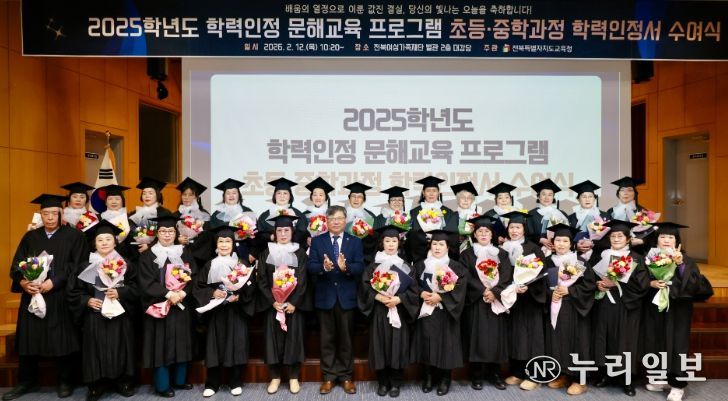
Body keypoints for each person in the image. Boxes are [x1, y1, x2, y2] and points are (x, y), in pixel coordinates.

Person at [4, 194, 88, 401]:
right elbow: (17, 265)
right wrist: (24, 282)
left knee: (62, 338)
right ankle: (27, 381)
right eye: (45, 213)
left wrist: (55, 282)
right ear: (40, 214)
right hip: (33, 294)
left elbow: (78, 264)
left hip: (60, 295)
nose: (50, 217)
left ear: (61, 214)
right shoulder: (30, 237)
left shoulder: (74, 236)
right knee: (29, 338)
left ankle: (65, 380)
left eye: (54, 213)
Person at [68, 220, 138, 401]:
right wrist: (87, 300)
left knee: (121, 347)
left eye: (108, 239)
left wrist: (121, 292)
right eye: (100, 240)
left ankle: (123, 382)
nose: (104, 243)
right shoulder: (85, 266)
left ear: (115, 242)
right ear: (94, 243)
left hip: (120, 314)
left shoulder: (125, 264)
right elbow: (74, 291)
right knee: (95, 349)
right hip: (95, 315)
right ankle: (96, 385)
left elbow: (137, 288)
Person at [640, 223, 703, 401]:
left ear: (677, 241)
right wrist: (651, 283)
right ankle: (661, 378)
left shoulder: (685, 259)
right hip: (655, 307)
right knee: (656, 340)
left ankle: (677, 385)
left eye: (670, 237)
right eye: (662, 237)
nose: (666, 240)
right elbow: (640, 279)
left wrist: (680, 263)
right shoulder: (649, 258)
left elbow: (694, 284)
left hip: (678, 309)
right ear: (656, 240)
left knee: (677, 344)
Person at [193, 225, 257, 397]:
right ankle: (212, 383)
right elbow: (198, 287)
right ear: (216, 244)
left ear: (233, 244)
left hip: (236, 311)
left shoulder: (241, 264)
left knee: (236, 344)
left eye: (227, 241)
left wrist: (239, 296)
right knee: (214, 345)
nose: (224, 245)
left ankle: (235, 381)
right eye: (220, 241)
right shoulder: (209, 264)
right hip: (216, 312)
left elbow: (251, 288)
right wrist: (212, 293)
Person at [138, 213, 197, 397]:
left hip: (180, 305)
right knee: (160, 345)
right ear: (157, 233)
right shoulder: (148, 255)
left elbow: (193, 276)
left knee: (182, 342)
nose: (167, 234)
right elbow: (145, 282)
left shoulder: (184, 252)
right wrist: (169, 294)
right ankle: (162, 385)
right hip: (159, 306)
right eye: (163, 231)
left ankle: (180, 380)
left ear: (176, 233)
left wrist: (183, 293)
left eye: (170, 231)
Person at [307, 206, 365, 395]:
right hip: (325, 297)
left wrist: (346, 267)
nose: (336, 222)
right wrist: (323, 267)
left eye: (340, 218)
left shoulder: (355, 241)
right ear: (327, 221)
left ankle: (346, 377)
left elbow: (360, 267)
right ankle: (329, 377)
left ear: (345, 220)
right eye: (332, 219)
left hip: (346, 298)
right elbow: (311, 266)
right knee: (327, 340)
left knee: (346, 340)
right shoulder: (317, 241)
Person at [589, 219, 650, 397]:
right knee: (605, 338)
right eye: (613, 236)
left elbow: (642, 284)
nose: (616, 239)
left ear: (628, 239)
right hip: (604, 304)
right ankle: (606, 374)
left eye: (620, 236)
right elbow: (589, 277)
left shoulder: (636, 258)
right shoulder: (601, 255)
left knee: (626, 341)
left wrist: (617, 284)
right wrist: (597, 285)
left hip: (626, 306)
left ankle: (627, 380)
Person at [358, 225, 419, 398]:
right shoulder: (373, 266)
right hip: (379, 311)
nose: (391, 244)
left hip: (399, 310)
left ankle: (396, 382)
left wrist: (399, 299)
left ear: (399, 243)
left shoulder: (406, 266)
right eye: (387, 241)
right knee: (381, 345)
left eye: (394, 241)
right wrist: (378, 297)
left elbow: (414, 291)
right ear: (381, 243)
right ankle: (383, 381)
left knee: (397, 345)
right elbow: (364, 288)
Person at [256, 216, 309, 395]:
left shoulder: (299, 252)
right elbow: (262, 280)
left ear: (292, 232)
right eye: (279, 230)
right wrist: (273, 301)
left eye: (286, 230)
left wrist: (293, 302)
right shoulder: (266, 253)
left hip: (293, 306)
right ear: (275, 233)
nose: (283, 234)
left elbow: (303, 280)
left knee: (294, 339)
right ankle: (275, 377)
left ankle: (293, 377)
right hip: (274, 306)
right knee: (272, 341)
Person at [460, 216, 513, 391]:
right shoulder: (467, 254)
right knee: (477, 337)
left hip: (495, 301)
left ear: (492, 234)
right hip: (476, 301)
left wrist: (494, 292)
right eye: (480, 231)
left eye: (487, 231)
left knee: (496, 338)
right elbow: (465, 276)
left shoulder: (501, 254)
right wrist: (483, 290)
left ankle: (495, 373)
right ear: (474, 234)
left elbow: (507, 276)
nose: (483, 234)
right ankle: (476, 374)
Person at [412, 229, 467, 396]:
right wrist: (421, 293)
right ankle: (428, 377)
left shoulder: (456, 267)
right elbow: (412, 284)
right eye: (434, 244)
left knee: (446, 345)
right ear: (430, 245)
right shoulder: (420, 265)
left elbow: (460, 288)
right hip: (426, 311)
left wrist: (441, 297)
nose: (437, 247)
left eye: (441, 244)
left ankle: (445, 379)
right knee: (427, 343)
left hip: (446, 312)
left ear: (447, 247)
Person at [498, 211, 548, 391]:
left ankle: (534, 375)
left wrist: (528, 286)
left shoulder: (533, 248)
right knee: (515, 336)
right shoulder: (501, 249)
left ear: (524, 229)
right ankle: (518, 372)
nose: (514, 231)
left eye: (518, 227)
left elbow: (542, 273)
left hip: (529, 299)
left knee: (531, 336)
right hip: (511, 299)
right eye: (511, 227)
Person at [543, 223, 595, 396]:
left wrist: (570, 291)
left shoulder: (579, 262)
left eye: (565, 241)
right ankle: (563, 375)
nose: (561, 244)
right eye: (558, 240)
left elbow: (589, 286)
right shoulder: (548, 261)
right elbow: (540, 285)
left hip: (575, 309)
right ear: (553, 243)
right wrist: (550, 294)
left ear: (571, 243)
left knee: (578, 341)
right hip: (555, 307)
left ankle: (580, 381)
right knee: (558, 341)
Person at [406, 176, 458, 264]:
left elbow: (452, 233)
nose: (431, 194)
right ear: (423, 193)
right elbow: (411, 234)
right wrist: (426, 239)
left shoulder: (448, 212)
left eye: (434, 191)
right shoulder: (414, 212)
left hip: (442, 255)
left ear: (438, 193)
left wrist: (436, 240)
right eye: (428, 191)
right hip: (420, 255)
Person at [208, 178, 256, 263]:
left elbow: (255, 234)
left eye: (234, 193)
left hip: (244, 253)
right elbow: (212, 236)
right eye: (228, 193)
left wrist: (253, 253)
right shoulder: (216, 215)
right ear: (224, 196)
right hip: (222, 253)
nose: (231, 196)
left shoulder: (247, 212)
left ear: (239, 195)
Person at [256, 178, 307, 252]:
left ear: (290, 196)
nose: (282, 196)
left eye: (285, 193)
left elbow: (302, 233)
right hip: (270, 252)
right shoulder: (265, 215)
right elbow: (259, 235)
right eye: (279, 193)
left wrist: (289, 239)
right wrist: (270, 237)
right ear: (274, 195)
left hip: (293, 252)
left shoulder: (298, 214)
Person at [173, 177, 212, 268]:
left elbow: (208, 237)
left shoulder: (204, 215)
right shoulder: (175, 215)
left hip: (199, 258)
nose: (187, 197)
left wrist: (192, 245)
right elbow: (171, 232)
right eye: (184, 194)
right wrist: (178, 240)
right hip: (179, 255)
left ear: (196, 197)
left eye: (191, 195)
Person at [567, 180, 610, 260]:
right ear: (578, 199)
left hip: (599, 254)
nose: (587, 199)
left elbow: (609, 237)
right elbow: (567, 237)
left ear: (594, 199)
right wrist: (576, 246)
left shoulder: (604, 216)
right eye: (584, 197)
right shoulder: (571, 218)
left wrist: (592, 243)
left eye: (590, 196)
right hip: (577, 256)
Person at [128, 177, 172, 255]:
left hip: (158, 253)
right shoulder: (134, 214)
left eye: (150, 193)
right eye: (144, 193)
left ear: (157, 195)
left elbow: (168, 235)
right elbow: (130, 234)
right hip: (136, 253)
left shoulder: (165, 214)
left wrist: (149, 245)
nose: (147, 196)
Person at [606, 176, 649, 252]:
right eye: (622, 190)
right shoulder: (611, 211)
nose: (625, 193)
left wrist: (642, 240)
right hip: (614, 249)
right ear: (618, 194)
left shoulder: (643, 211)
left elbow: (650, 233)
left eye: (630, 190)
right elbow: (605, 232)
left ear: (635, 193)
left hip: (636, 250)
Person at [527, 178, 569, 251]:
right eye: (543, 194)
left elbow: (568, 233)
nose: (547, 197)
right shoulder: (531, 214)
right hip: (536, 250)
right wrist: (540, 239)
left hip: (559, 250)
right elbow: (527, 234)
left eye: (550, 195)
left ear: (553, 197)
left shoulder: (562, 214)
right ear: (538, 196)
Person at [97, 184, 136, 261]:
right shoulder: (98, 218)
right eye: (110, 199)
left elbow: (134, 240)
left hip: (125, 257)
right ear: (105, 202)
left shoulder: (129, 219)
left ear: (122, 201)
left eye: (117, 199)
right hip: (102, 257)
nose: (114, 202)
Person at [343, 182, 378, 266]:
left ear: (363, 199)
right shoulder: (340, 213)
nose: (356, 199)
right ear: (349, 198)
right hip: (343, 254)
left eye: (359, 197)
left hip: (364, 256)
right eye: (353, 196)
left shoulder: (370, 216)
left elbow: (375, 238)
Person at [301, 177, 335, 248]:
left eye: (321, 195)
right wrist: (307, 240)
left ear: (326, 198)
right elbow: (301, 235)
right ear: (311, 197)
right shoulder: (305, 215)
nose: (317, 197)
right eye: (315, 195)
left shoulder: (332, 214)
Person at [450, 181, 482, 254]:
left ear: (472, 200)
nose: (466, 200)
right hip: (454, 252)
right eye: (463, 197)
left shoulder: (478, 217)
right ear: (458, 200)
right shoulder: (451, 216)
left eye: (469, 198)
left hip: (474, 252)